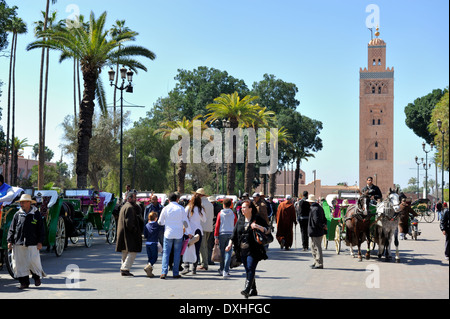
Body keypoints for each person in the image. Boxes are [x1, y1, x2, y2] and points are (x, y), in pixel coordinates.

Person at [226, 200, 269, 298]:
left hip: (254, 249)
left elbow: (267, 230)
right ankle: (254, 289)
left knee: (250, 268)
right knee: (248, 270)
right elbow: (234, 234)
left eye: (244, 207)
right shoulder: (240, 220)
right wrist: (229, 245)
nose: (242, 209)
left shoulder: (257, 219)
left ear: (250, 209)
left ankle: (246, 290)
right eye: (241, 208)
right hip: (242, 250)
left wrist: (257, 226)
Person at [7, 194, 46, 289]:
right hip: (18, 242)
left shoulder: (36, 214)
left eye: (23, 202)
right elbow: (12, 228)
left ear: (29, 203)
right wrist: (10, 241)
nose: (21, 204)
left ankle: (36, 278)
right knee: (20, 263)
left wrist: (40, 242)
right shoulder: (17, 214)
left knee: (33, 261)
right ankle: (24, 283)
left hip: (33, 242)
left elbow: (41, 229)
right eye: (21, 202)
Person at [158, 192, 191, 279]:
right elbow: (185, 222)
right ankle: (175, 272)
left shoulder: (165, 208)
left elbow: (160, 222)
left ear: (168, 200)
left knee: (166, 253)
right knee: (177, 253)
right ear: (177, 199)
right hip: (178, 234)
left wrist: (166, 223)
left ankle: (163, 272)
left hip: (168, 233)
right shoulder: (181, 208)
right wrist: (189, 232)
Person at [116, 191, 144, 276]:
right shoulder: (129, 208)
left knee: (125, 251)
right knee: (132, 251)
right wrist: (135, 230)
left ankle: (123, 267)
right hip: (129, 234)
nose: (135, 200)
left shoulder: (124, 206)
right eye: (134, 198)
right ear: (129, 198)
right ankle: (125, 268)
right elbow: (129, 223)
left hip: (123, 233)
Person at [181, 193, 206, 275]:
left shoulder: (188, 208)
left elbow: (184, 221)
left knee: (186, 248)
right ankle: (194, 269)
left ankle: (186, 267)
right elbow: (204, 220)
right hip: (198, 231)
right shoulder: (200, 209)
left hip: (189, 231)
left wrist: (188, 231)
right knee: (197, 250)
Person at [214, 198, 237, 277]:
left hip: (221, 234)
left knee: (222, 253)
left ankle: (221, 269)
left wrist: (216, 237)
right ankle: (226, 270)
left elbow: (217, 226)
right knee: (228, 253)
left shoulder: (220, 214)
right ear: (230, 205)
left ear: (223, 205)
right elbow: (235, 225)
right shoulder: (233, 214)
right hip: (231, 234)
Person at [307, 194, 327, 269]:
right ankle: (316, 261)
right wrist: (324, 225)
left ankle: (319, 263)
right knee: (313, 247)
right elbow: (324, 218)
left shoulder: (314, 209)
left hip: (315, 231)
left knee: (317, 247)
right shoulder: (319, 208)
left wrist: (322, 226)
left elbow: (316, 221)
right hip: (317, 231)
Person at [143, 211, 162, 277]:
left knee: (150, 257)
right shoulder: (157, 225)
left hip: (148, 243)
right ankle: (149, 266)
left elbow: (145, 235)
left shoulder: (146, 225)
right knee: (154, 257)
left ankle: (149, 271)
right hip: (154, 243)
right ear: (156, 218)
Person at [199, 190, 214, 271]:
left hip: (202, 227)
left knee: (202, 246)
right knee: (205, 245)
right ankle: (204, 262)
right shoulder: (210, 204)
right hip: (209, 227)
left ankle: (204, 264)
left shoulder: (201, 204)